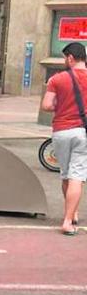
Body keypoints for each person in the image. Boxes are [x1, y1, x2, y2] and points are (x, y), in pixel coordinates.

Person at [41, 42, 87, 236]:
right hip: (82, 132)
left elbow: (46, 105)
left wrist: (59, 106)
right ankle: (69, 219)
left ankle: (71, 212)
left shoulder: (57, 79)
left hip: (60, 131)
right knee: (77, 175)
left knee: (66, 173)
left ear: (70, 58)